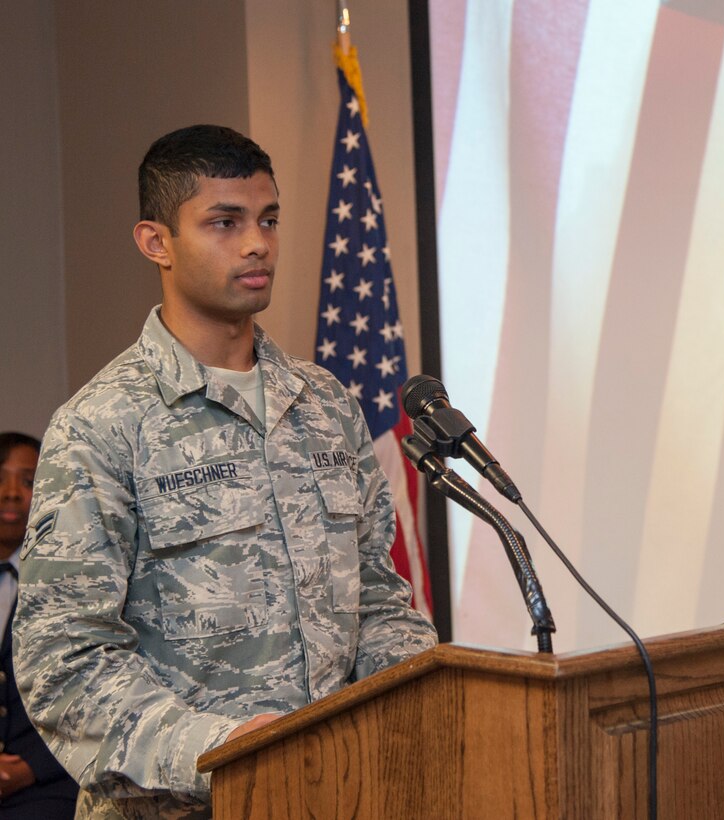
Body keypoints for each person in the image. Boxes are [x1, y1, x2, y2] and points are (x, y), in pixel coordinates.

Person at [14, 124, 437, 818]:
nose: (256, 243)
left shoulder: (325, 403)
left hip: (343, 797)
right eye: (224, 222)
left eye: (268, 219)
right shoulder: (102, 424)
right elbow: (65, 662)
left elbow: (379, 602)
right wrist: (223, 749)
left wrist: (420, 711)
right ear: (157, 242)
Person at [0, 432, 79, 818]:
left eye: (28, 481)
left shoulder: (70, 577)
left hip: (47, 781)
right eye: (0, 478)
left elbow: (85, 686)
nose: (12, 493)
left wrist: (32, 765)